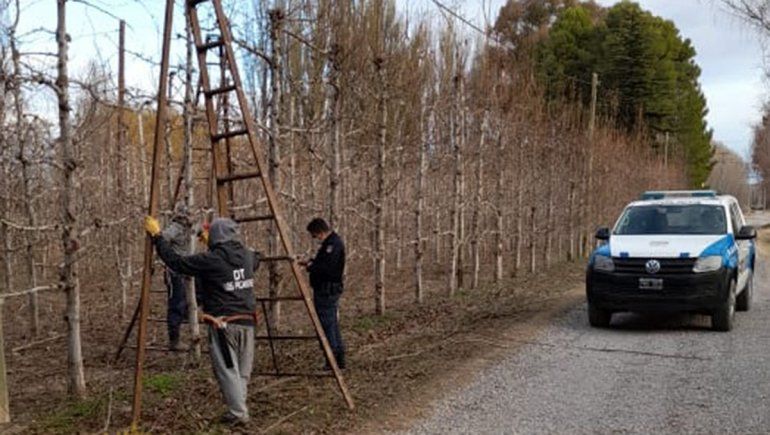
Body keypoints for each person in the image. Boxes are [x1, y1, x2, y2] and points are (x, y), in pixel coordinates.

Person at [144, 216, 259, 426]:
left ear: (215, 236)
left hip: (223, 324)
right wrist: (214, 244)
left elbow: (177, 262)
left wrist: (158, 236)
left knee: (226, 370)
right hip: (248, 323)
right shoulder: (249, 256)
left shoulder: (211, 260)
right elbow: (255, 259)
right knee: (242, 372)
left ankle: (239, 412)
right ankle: (238, 408)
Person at [299, 218, 346, 369]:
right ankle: (337, 358)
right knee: (331, 323)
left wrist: (311, 266)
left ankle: (332, 358)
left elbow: (326, 268)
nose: (315, 238)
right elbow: (323, 264)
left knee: (327, 324)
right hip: (326, 288)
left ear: (320, 232)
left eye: (314, 235)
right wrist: (310, 262)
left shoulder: (333, 245)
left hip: (326, 290)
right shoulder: (329, 244)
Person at [161, 204, 192, 351]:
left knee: (200, 291)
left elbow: (200, 232)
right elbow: (163, 238)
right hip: (175, 271)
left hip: (189, 268)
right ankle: (174, 340)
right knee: (176, 303)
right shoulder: (175, 227)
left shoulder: (190, 228)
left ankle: (187, 313)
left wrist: (206, 231)